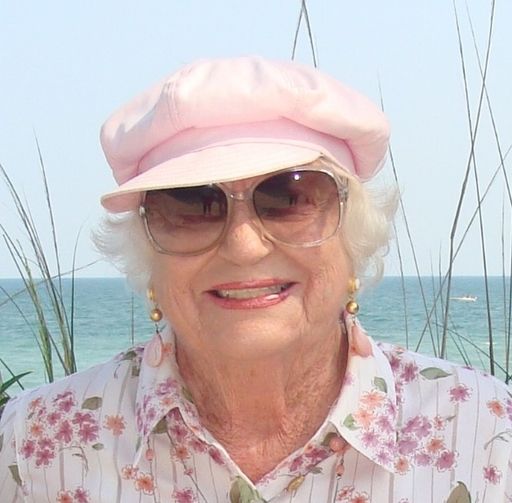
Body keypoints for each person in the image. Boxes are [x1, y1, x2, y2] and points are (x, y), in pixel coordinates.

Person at [0, 56, 510, 503]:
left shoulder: (488, 434)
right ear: (146, 250)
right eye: (192, 203)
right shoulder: (32, 446)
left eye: (288, 197)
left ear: (353, 234)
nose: (244, 245)